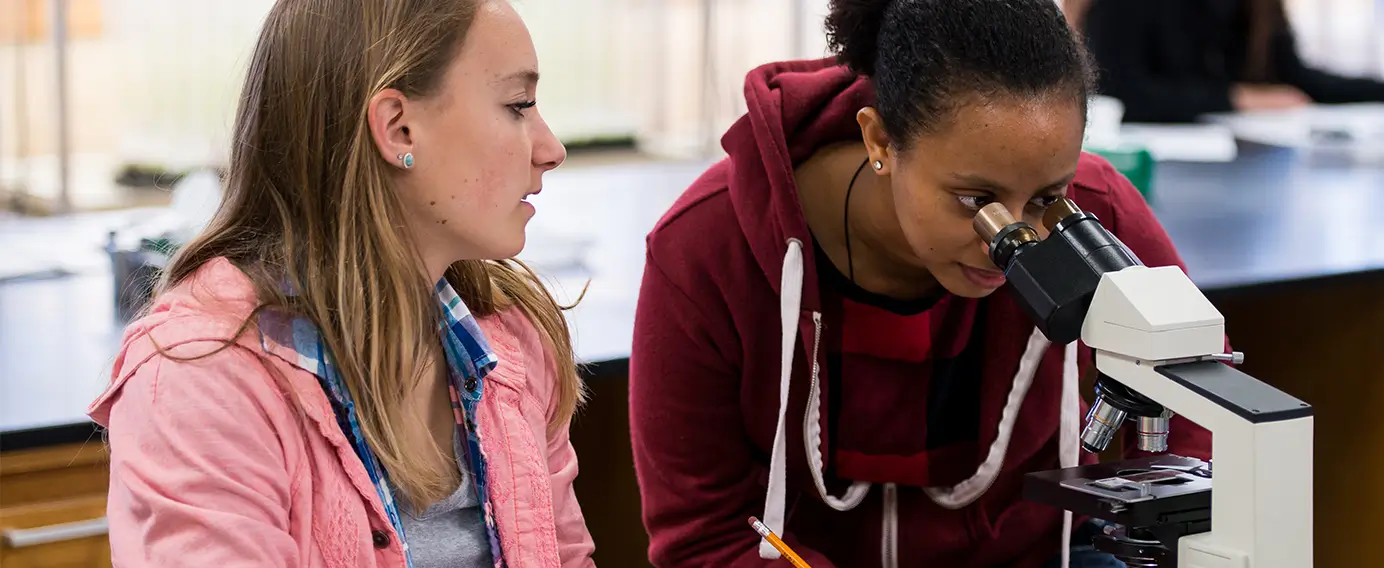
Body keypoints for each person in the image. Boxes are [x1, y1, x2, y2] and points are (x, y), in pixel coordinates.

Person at [628, 0, 1213, 566]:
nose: (1011, 239)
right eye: (975, 201)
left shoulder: (1094, 208)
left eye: (1045, 198)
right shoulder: (705, 248)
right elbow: (702, 536)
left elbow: (1196, 419)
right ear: (879, 140)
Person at [87, 0, 596, 566]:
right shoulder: (198, 380)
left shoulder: (514, 340)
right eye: (518, 105)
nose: (551, 151)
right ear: (398, 127)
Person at [1083, 0, 1384, 123]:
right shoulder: (1126, 7)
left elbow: (1303, 81)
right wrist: (1235, 98)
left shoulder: (1257, 9)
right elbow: (1116, 90)